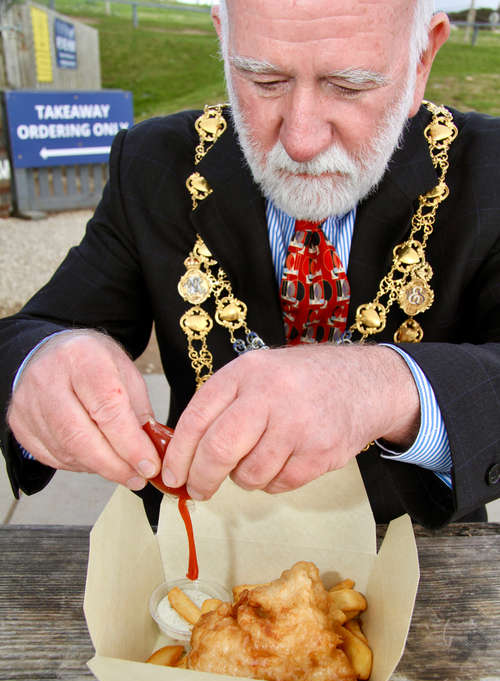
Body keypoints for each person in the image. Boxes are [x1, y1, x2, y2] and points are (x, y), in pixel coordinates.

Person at [1, 0, 499, 528]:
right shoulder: (153, 163)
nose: (301, 140)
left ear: (422, 57)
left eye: (350, 86)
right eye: (263, 79)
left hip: (419, 550)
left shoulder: (489, 171)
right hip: (199, 546)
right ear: (224, 38)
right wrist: (43, 366)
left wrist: (385, 388)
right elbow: (31, 334)